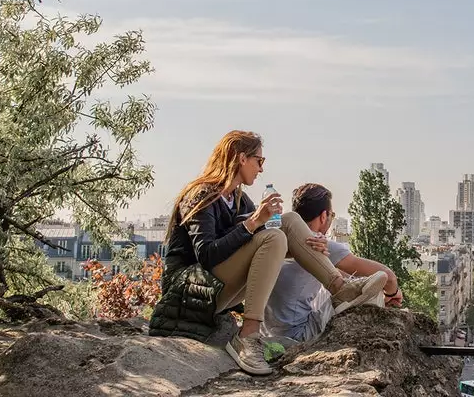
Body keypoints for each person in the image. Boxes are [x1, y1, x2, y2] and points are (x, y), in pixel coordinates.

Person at [153, 130, 387, 376]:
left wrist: (309, 250)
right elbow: (208, 255)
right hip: (189, 292)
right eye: (259, 161)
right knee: (274, 233)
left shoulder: (240, 201)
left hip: (216, 288)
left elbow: (267, 250)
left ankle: (340, 289)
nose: (261, 169)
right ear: (241, 158)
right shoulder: (201, 195)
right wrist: (252, 223)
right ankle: (248, 335)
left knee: (288, 221)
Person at [263, 183, 404, 343]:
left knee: (342, 281)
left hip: (267, 333)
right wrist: (393, 294)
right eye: (332, 215)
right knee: (367, 291)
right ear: (324, 216)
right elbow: (388, 277)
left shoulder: (279, 239)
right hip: (297, 335)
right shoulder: (316, 243)